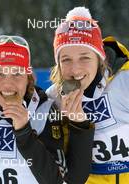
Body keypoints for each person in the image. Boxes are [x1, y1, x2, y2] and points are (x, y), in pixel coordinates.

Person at [0, 35, 95, 184]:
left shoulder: (45, 112)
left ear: (28, 77)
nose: (8, 84)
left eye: (17, 73)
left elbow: (65, 181)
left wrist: (24, 132)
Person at [47, 6, 129, 184]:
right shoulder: (53, 99)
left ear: (100, 58)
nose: (75, 69)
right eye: (66, 59)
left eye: (84, 57)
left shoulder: (124, 82)